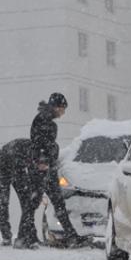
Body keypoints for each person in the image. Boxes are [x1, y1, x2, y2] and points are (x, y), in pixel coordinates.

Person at [26, 93, 87, 247]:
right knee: (36, 202)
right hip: (42, 168)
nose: (63, 113)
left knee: (54, 202)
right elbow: (39, 143)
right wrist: (43, 161)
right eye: (63, 109)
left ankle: (70, 235)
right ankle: (27, 235)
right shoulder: (45, 121)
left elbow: (43, 143)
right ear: (56, 107)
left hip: (46, 168)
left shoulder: (45, 119)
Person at [0, 138, 54, 248]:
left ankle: (31, 236)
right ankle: (6, 236)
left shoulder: (42, 157)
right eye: (41, 166)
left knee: (26, 202)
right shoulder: (31, 156)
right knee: (3, 202)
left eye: (45, 167)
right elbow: (33, 182)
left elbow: (39, 183)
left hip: (17, 164)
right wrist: (34, 196)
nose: (43, 169)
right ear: (37, 161)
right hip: (1, 165)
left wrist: (37, 196)